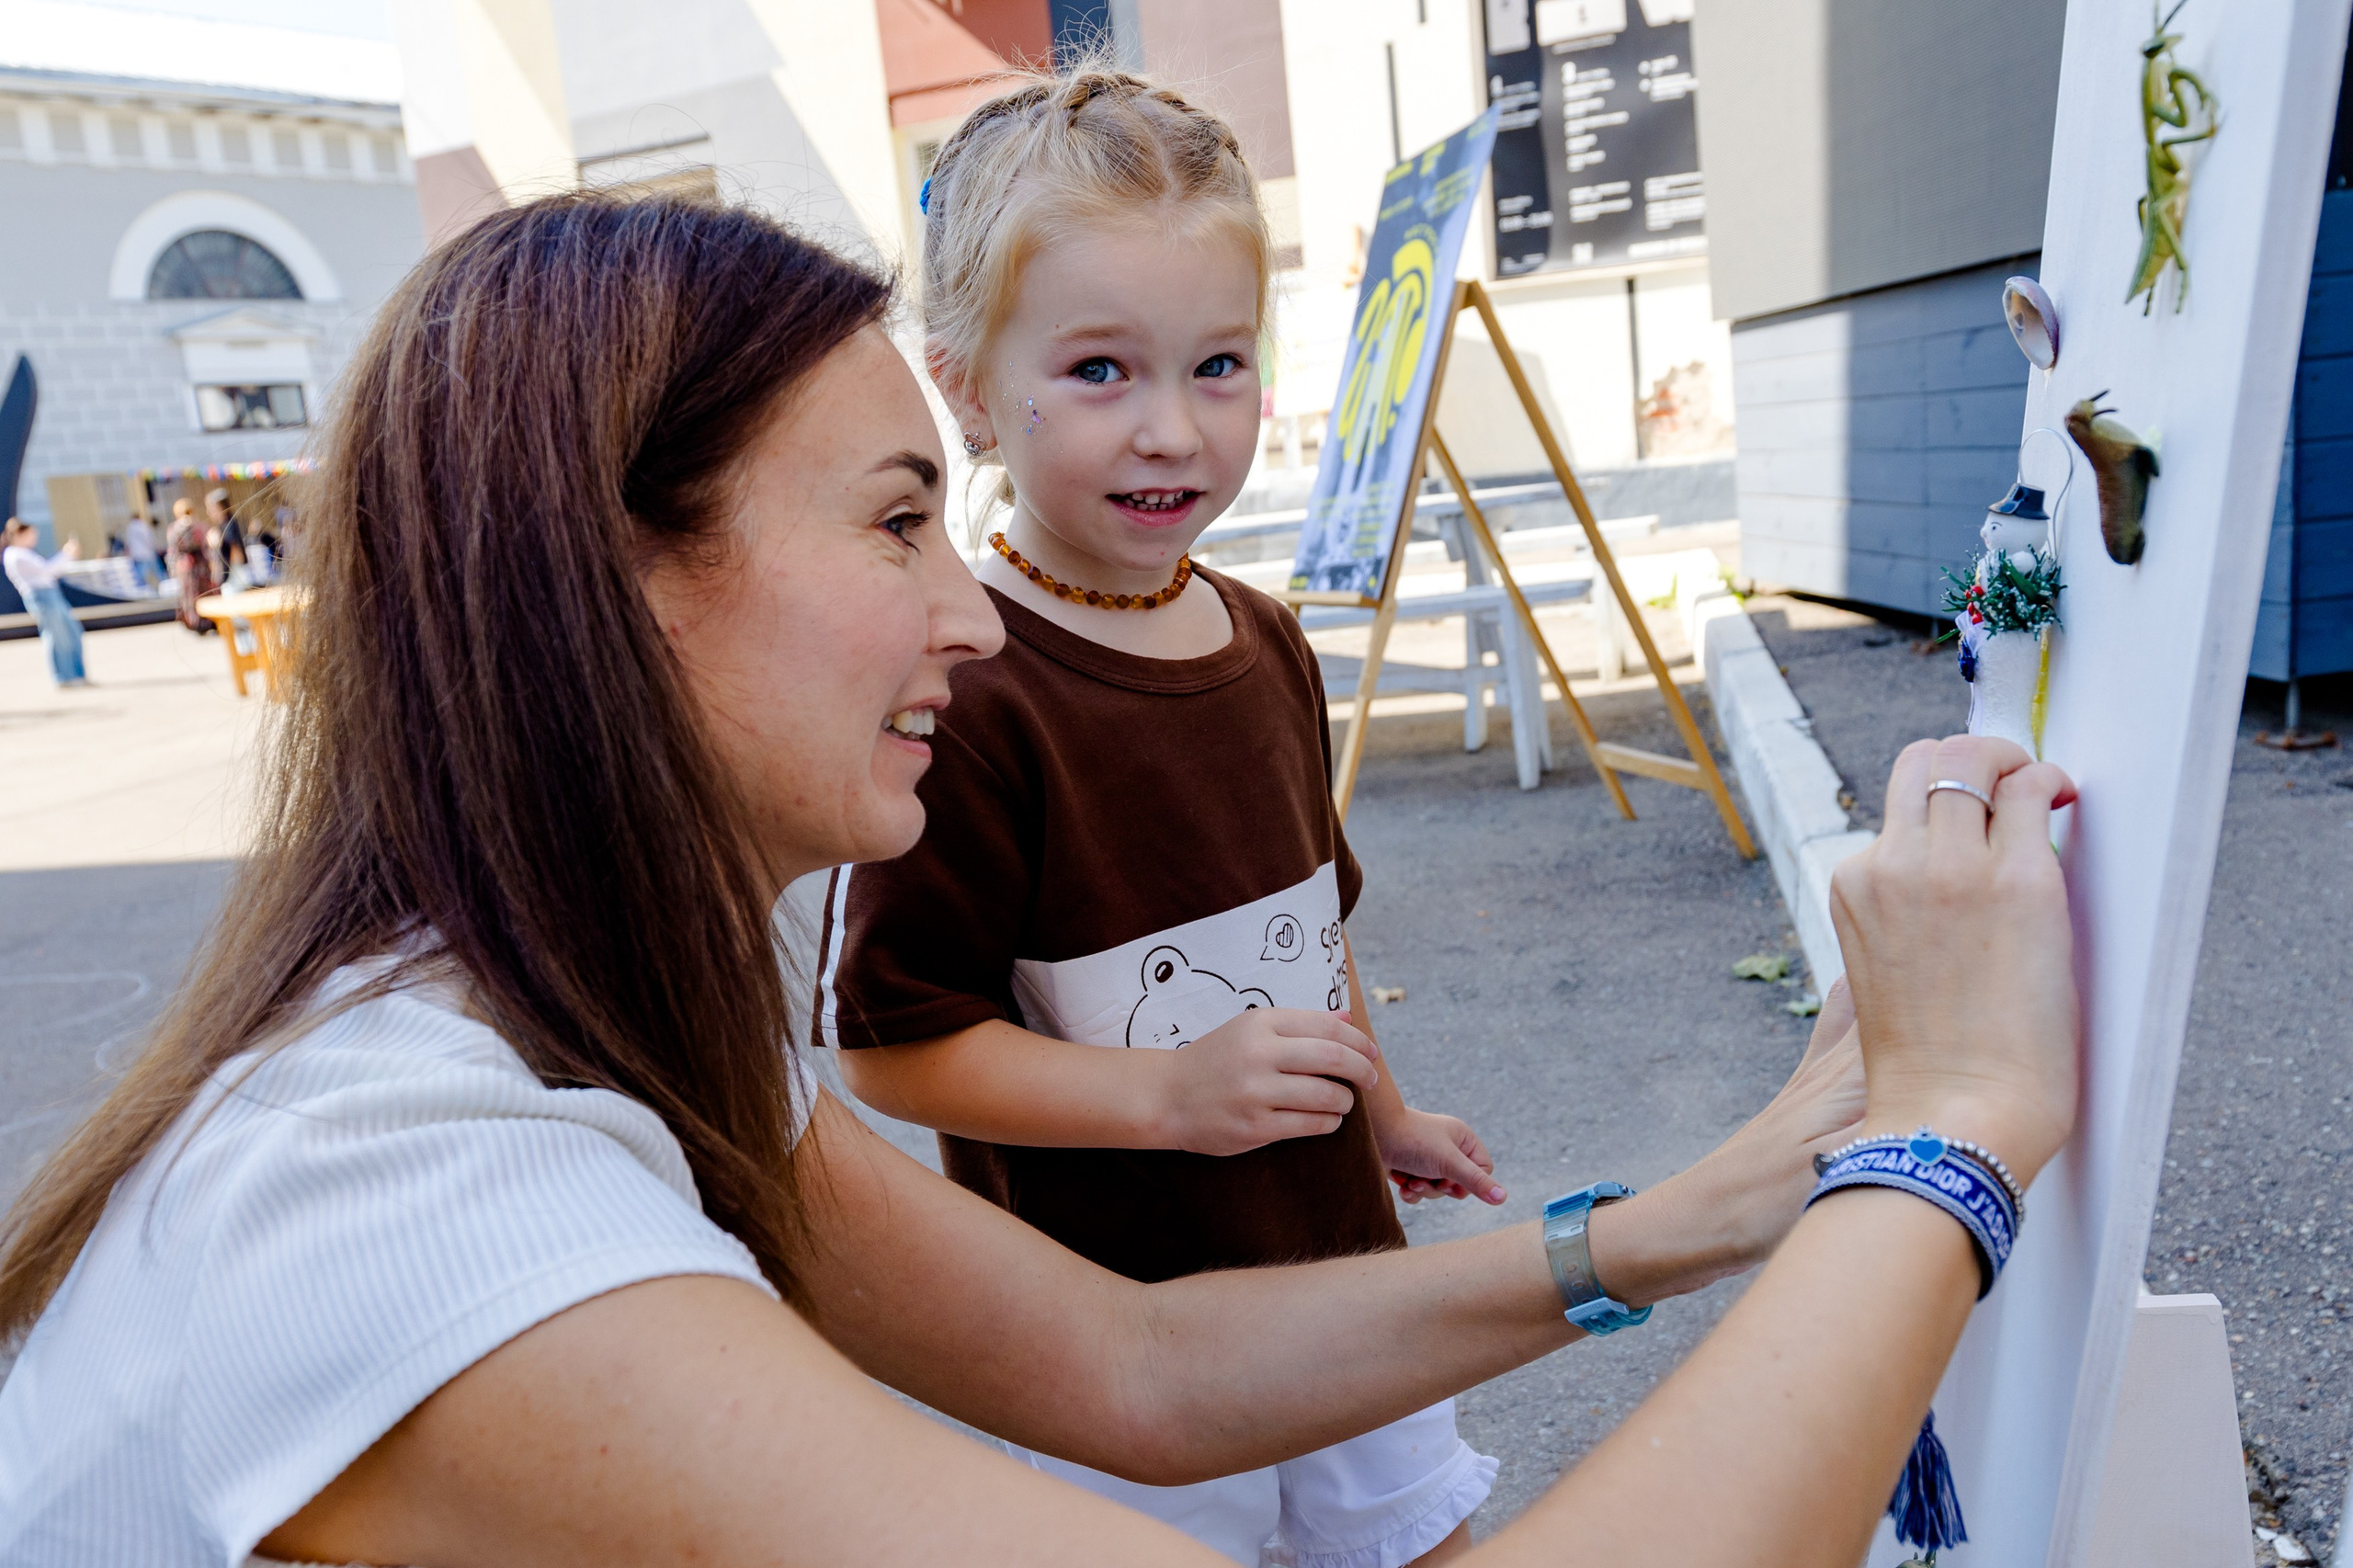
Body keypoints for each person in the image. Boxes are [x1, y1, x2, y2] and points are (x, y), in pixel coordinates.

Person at [0, 193, 2080, 1568]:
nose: (975, 618)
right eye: (901, 521)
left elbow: (1135, 1371)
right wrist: (1952, 1142)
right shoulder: (411, 1197)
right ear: (612, 583)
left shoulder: (561, 1019)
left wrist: (1734, 1192)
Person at [821, 70, 1501, 1566]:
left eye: (1217, 365)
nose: (1172, 430)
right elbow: (891, 1045)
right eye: (1101, 371)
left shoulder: (1267, 642)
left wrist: (1382, 1112)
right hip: (1122, 1334)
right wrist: (1168, 1097)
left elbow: (1308, 938)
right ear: (969, 386)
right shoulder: (970, 686)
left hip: (1339, 1276)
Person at [3, 517, 87, 687]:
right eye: (31, 534)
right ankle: (64, 677)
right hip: (41, 597)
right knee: (57, 636)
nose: (34, 538)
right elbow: (47, 570)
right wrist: (66, 554)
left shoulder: (24, 553)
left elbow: (48, 571)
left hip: (50, 594)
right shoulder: (15, 554)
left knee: (71, 633)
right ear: (20, 534)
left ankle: (76, 675)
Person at [166, 495, 216, 633]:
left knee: (189, 593)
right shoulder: (199, 525)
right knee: (204, 591)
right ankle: (208, 619)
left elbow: (172, 550)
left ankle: (195, 622)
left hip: (185, 564)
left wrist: (172, 570)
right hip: (201, 563)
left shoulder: (174, 528)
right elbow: (207, 546)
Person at [124, 508, 163, 592]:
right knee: (157, 571)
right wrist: (156, 547)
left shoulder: (130, 527)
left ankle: (141, 588)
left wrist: (127, 552)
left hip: (136, 554)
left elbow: (128, 542)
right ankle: (163, 584)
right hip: (147, 552)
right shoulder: (143, 525)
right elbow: (149, 538)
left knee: (140, 572)